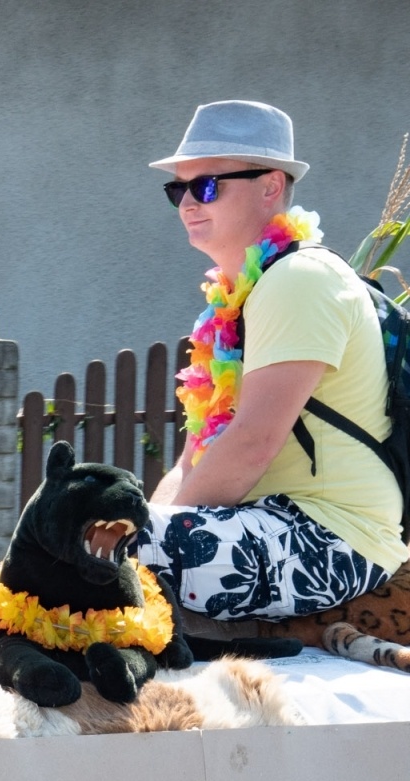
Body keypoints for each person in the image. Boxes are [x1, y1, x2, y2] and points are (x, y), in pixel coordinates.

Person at [135, 100, 408, 620]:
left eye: (208, 185)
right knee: (89, 531)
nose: (189, 202)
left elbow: (253, 444)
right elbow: (192, 460)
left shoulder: (299, 278)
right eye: (178, 189)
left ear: (270, 187)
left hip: (330, 536)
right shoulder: (229, 304)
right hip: (257, 521)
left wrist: (146, 542)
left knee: (99, 549)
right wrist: (149, 521)